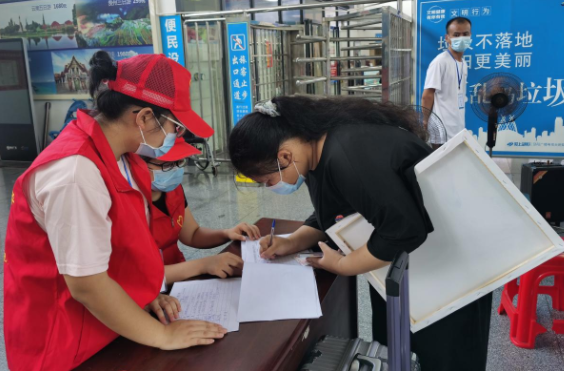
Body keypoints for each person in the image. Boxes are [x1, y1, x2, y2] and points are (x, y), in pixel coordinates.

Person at [228, 95, 493, 371]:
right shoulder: (316, 152)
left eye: (268, 180)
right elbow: (334, 212)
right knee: (399, 351)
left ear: (284, 156)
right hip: (403, 269)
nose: (272, 187)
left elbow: (404, 231)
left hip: (445, 274)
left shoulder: (348, 154)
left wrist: (345, 265)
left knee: (439, 357)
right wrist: (293, 241)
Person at [4, 51, 227, 371]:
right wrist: (163, 336)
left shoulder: (124, 157)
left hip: (111, 324)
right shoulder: (75, 173)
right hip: (66, 340)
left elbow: (123, 243)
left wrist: (144, 292)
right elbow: (87, 285)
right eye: (175, 127)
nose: (176, 137)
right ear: (145, 118)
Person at [140, 139, 260, 307]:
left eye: (179, 162)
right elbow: (138, 275)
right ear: (137, 163)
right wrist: (203, 265)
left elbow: (192, 234)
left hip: (180, 281)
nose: (174, 170)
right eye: (166, 165)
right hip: (146, 293)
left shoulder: (173, 189)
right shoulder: (128, 205)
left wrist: (226, 233)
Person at [421, 17, 472, 147]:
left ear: (470, 35)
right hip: (441, 129)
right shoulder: (440, 62)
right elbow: (427, 95)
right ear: (447, 38)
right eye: (456, 35)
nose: (461, 38)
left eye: (465, 34)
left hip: (457, 126)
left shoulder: (463, 63)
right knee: (439, 160)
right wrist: (426, 120)